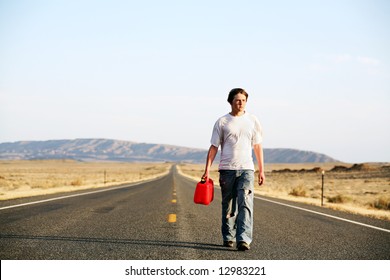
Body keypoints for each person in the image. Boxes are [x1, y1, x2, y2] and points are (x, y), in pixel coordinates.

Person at [202, 88, 265, 251]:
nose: (241, 103)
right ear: (230, 102)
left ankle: (243, 239)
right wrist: (207, 170)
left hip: (247, 169)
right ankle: (228, 236)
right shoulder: (222, 121)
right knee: (229, 205)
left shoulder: (253, 120)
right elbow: (214, 147)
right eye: (237, 100)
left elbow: (257, 146)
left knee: (246, 203)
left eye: (243, 100)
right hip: (227, 169)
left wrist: (261, 170)